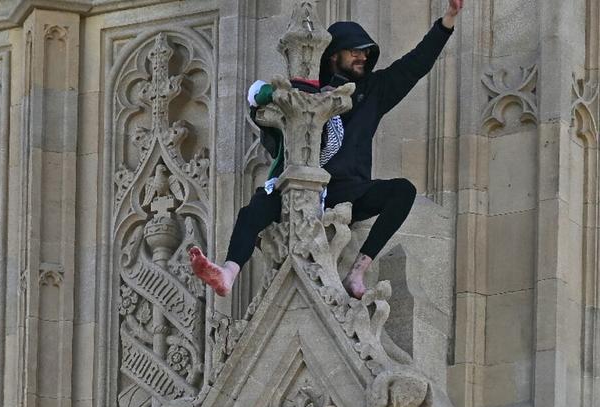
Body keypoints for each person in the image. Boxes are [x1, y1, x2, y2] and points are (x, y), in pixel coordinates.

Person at [190, 0, 464, 298]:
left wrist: (447, 20)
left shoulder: (372, 90)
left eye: (366, 52)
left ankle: (358, 272)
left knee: (402, 192)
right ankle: (228, 273)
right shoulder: (305, 91)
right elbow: (262, 107)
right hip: (300, 184)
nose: (363, 56)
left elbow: (415, 65)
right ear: (334, 56)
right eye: (355, 51)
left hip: (348, 191)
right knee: (253, 211)